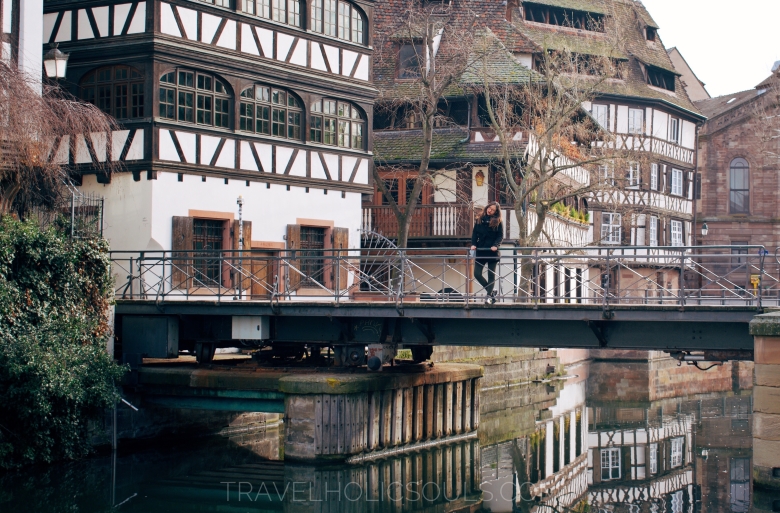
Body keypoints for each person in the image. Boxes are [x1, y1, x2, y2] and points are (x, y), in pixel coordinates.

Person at [470, 201, 503, 304]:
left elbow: (500, 236)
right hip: (481, 250)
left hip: (492, 252)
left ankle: (488, 297)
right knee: (477, 274)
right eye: (489, 208)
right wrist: (473, 244)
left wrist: (495, 245)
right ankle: (492, 292)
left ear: (496, 212)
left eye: (493, 210)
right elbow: (475, 233)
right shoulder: (479, 219)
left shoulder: (498, 221)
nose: (490, 210)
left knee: (491, 275)